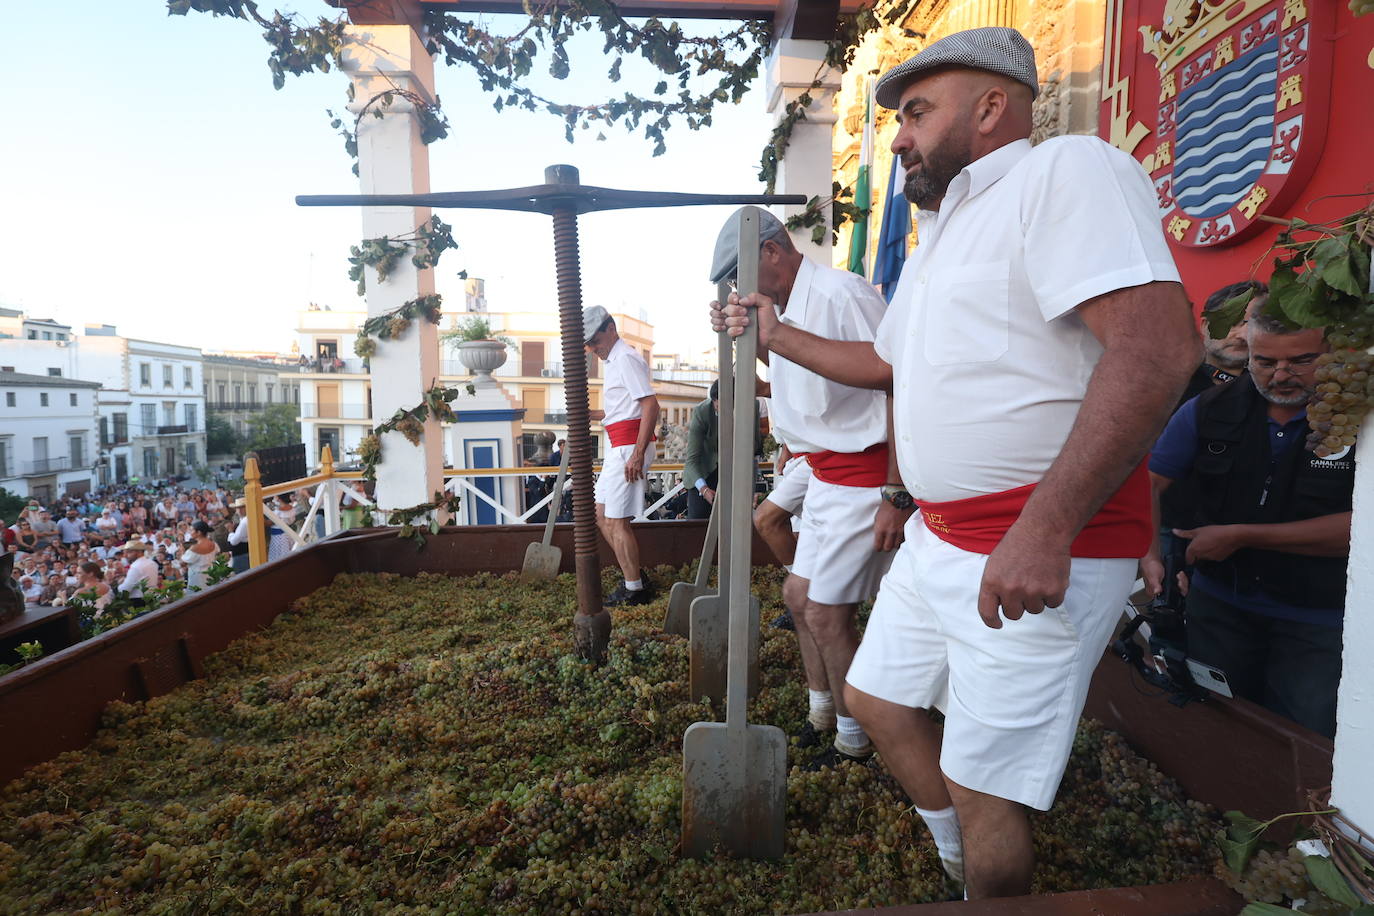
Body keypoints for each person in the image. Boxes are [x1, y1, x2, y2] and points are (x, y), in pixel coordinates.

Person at [713, 27, 1196, 897]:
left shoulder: (1065, 172)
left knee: (984, 783)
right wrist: (775, 336)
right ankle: (958, 856)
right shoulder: (943, 233)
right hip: (940, 538)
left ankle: (983, 870)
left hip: (1035, 540)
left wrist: (1045, 527)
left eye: (917, 113)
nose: (898, 136)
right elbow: (884, 367)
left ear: (991, 106)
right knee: (876, 702)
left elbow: (1160, 349)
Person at [709, 206, 895, 769]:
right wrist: (750, 340)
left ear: (772, 251)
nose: (739, 289)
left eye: (740, 274)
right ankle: (822, 714)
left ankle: (853, 739)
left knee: (823, 614)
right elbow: (802, 374)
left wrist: (896, 490)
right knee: (797, 598)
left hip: (862, 476)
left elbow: (895, 379)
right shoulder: (788, 308)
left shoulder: (843, 294)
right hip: (823, 473)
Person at [1146, 314, 1350, 738]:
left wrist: (1241, 535)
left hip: (1319, 620)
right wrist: (1148, 554)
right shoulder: (1207, 408)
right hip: (1218, 608)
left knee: (1304, 740)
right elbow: (1148, 484)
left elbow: (1362, 530)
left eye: (1301, 361)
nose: (1280, 375)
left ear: (1334, 352)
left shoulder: (1358, 417)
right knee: (1219, 729)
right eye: (1264, 362)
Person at [583, 305, 661, 605]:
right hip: (620, 444)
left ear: (610, 329)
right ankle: (634, 578)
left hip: (629, 446)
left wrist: (638, 454)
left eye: (594, 340)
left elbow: (650, 406)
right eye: (588, 343)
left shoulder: (625, 358)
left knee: (616, 521)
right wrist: (595, 413)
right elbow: (626, 407)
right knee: (603, 516)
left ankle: (635, 589)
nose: (591, 348)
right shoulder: (615, 360)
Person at [1175, 281, 1264, 409]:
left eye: (1255, 326)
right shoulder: (1172, 385)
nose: (1243, 335)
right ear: (1205, 326)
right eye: (1232, 322)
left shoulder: (1275, 387)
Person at [117, 540, 160, 606]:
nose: (125, 555)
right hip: (152, 597)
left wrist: (118, 585)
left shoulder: (136, 566)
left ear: (138, 552)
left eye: (129, 552)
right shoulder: (152, 563)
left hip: (139, 601)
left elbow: (125, 589)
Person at [182, 521, 219, 590]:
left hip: (197, 577)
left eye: (192, 530)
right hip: (210, 574)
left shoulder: (195, 548)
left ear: (199, 532)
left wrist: (182, 551)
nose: (190, 532)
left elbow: (183, 563)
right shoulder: (213, 544)